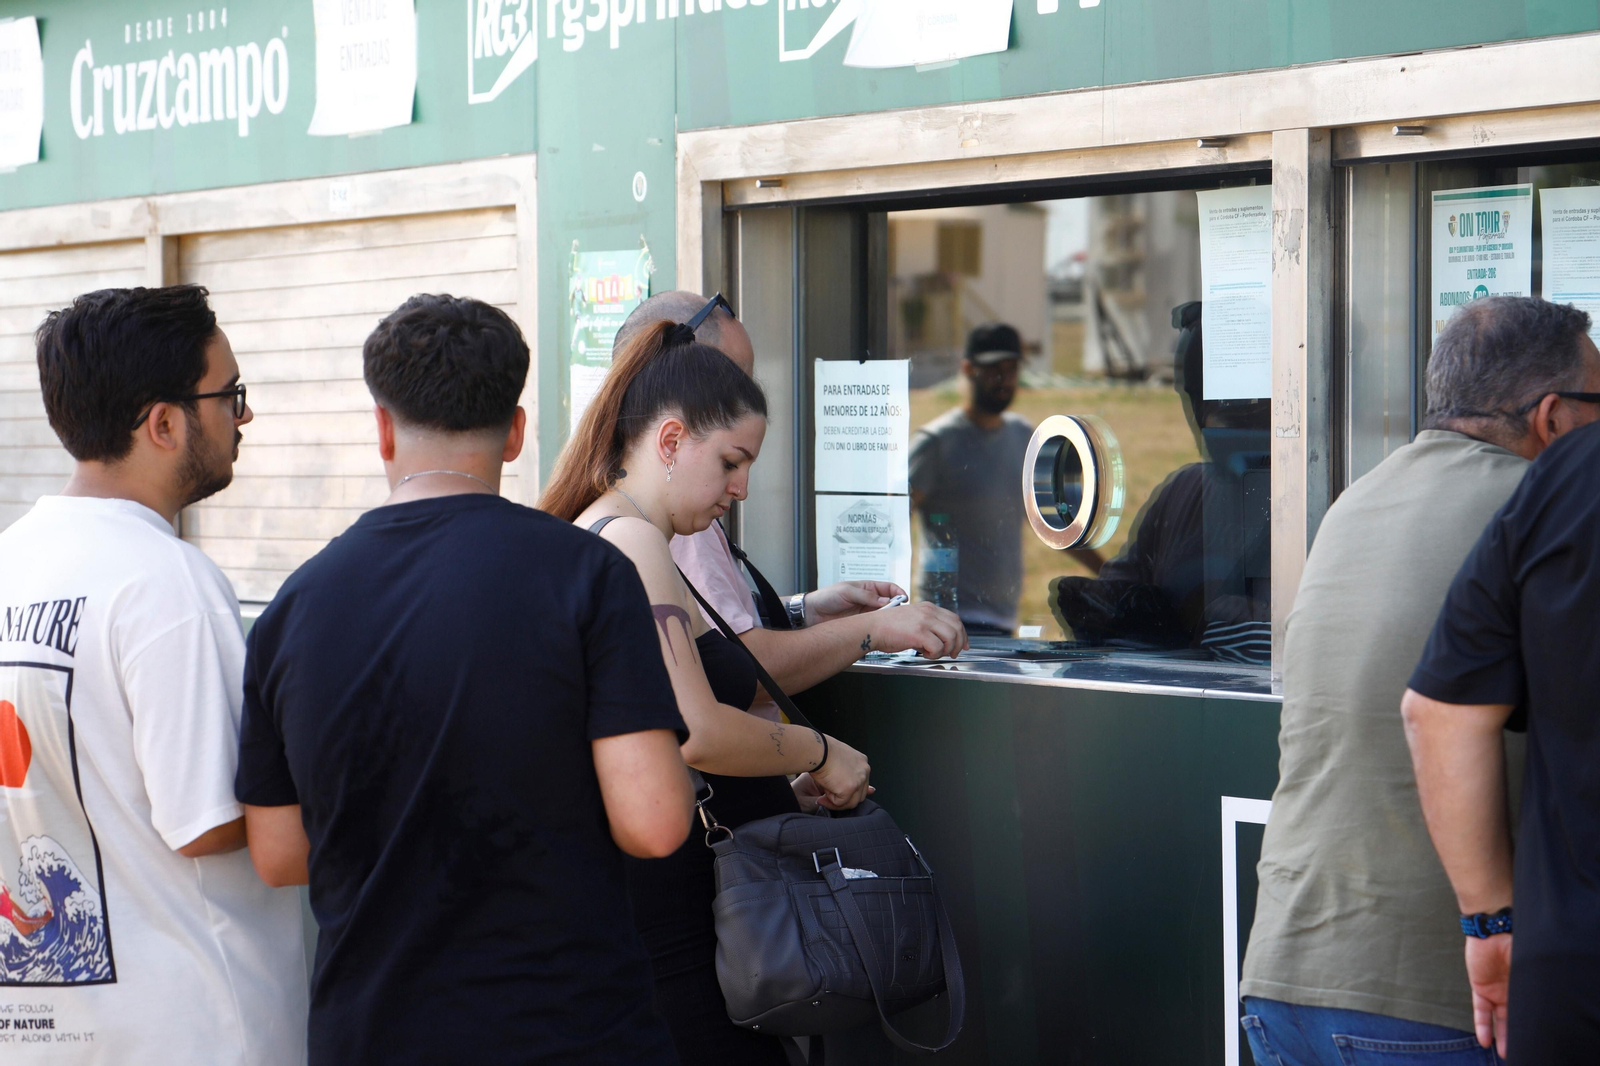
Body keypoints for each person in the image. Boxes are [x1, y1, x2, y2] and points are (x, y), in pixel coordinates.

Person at [237, 295, 693, 1066]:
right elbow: (653, 823)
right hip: (570, 1032)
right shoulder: (590, 576)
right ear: (515, 433)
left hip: (371, 1034)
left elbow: (279, 854)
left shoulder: (295, 605)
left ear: (381, 428)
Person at [1240, 297, 1600, 1066]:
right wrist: (1495, 926)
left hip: (1284, 974)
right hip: (1433, 996)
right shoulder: (1537, 516)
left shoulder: (1354, 502)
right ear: (1554, 418)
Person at [540, 319, 875, 1065]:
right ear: (668, 441)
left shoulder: (608, 535)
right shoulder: (632, 544)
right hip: (671, 912)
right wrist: (823, 752)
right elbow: (696, 729)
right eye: (730, 461)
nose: (742, 487)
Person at [0, 286, 306, 1063]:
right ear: (163, 423)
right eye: (229, 395)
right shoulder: (165, 582)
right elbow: (208, 820)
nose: (243, 417)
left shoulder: (11, 563)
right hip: (193, 1029)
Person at [614, 291, 965, 711]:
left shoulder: (651, 503)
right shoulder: (667, 523)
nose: (742, 489)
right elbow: (735, 677)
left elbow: (711, 634)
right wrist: (876, 630)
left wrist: (804, 611)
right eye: (734, 380)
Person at [1402, 324, 1600, 1060]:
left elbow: (1438, 712)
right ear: (1551, 417)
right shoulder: (1531, 481)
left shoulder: (1561, 482)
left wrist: (1490, 927)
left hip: (1567, 983)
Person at [1050, 302, 1272, 662]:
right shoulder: (1182, 493)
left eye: (1226, 410)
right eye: (1194, 402)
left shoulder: (1312, 497)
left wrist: (1205, 626)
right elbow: (1122, 588)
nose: (1205, 424)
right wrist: (1107, 606)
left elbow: (1300, 642)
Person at [908, 323, 1036, 636]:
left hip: (1003, 623)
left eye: (1011, 368)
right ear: (968, 369)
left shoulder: (1025, 438)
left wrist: (1108, 573)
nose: (1004, 378)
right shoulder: (937, 442)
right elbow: (886, 524)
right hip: (943, 623)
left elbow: (1054, 524)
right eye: (993, 369)